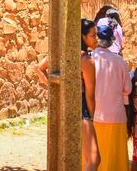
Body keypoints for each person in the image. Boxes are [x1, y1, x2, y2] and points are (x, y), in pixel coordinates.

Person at [35, 19, 100, 170]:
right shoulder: (86, 61)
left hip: (63, 106)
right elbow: (90, 95)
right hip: (82, 108)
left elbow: (39, 68)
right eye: (93, 35)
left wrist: (58, 90)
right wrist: (92, 117)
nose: (96, 38)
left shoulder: (62, 54)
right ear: (83, 37)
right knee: (93, 158)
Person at [92, 24, 131, 171]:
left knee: (97, 152)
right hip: (116, 114)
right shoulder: (120, 61)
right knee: (116, 153)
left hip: (95, 113)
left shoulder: (89, 59)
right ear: (110, 41)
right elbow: (127, 89)